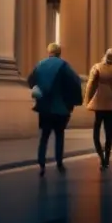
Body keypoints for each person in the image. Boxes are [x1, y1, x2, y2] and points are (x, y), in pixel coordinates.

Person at [27, 43, 83, 176]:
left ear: (49, 52)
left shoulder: (40, 65)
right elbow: (75, 82)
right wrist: (73, 102)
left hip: (44, 107)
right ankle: (59, 162)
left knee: (44, 136)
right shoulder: (64, 66)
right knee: (59, 136)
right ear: (59, 53)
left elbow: (31, 81)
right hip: (60, 108)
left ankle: (41, 163)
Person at [84, 48, 112, 170]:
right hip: (111, 104)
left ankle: (101, 157)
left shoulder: (97, 67)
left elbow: (91, 84)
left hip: (99, 104)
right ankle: (107, 157)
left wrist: (88, 100)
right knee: (110, 132)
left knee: (96, 130)